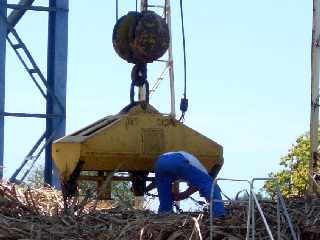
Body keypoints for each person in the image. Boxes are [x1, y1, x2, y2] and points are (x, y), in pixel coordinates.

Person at [149, 151, 225, 217]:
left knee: (164, 195)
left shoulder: (192, 168)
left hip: (159, 162)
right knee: (211, 185)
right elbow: (197, 186)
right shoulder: (203, 172)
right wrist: (183, 195)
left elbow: (192, 185)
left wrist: (181, 195)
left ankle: (164, 215)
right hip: (176, 159)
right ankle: (219, 214)